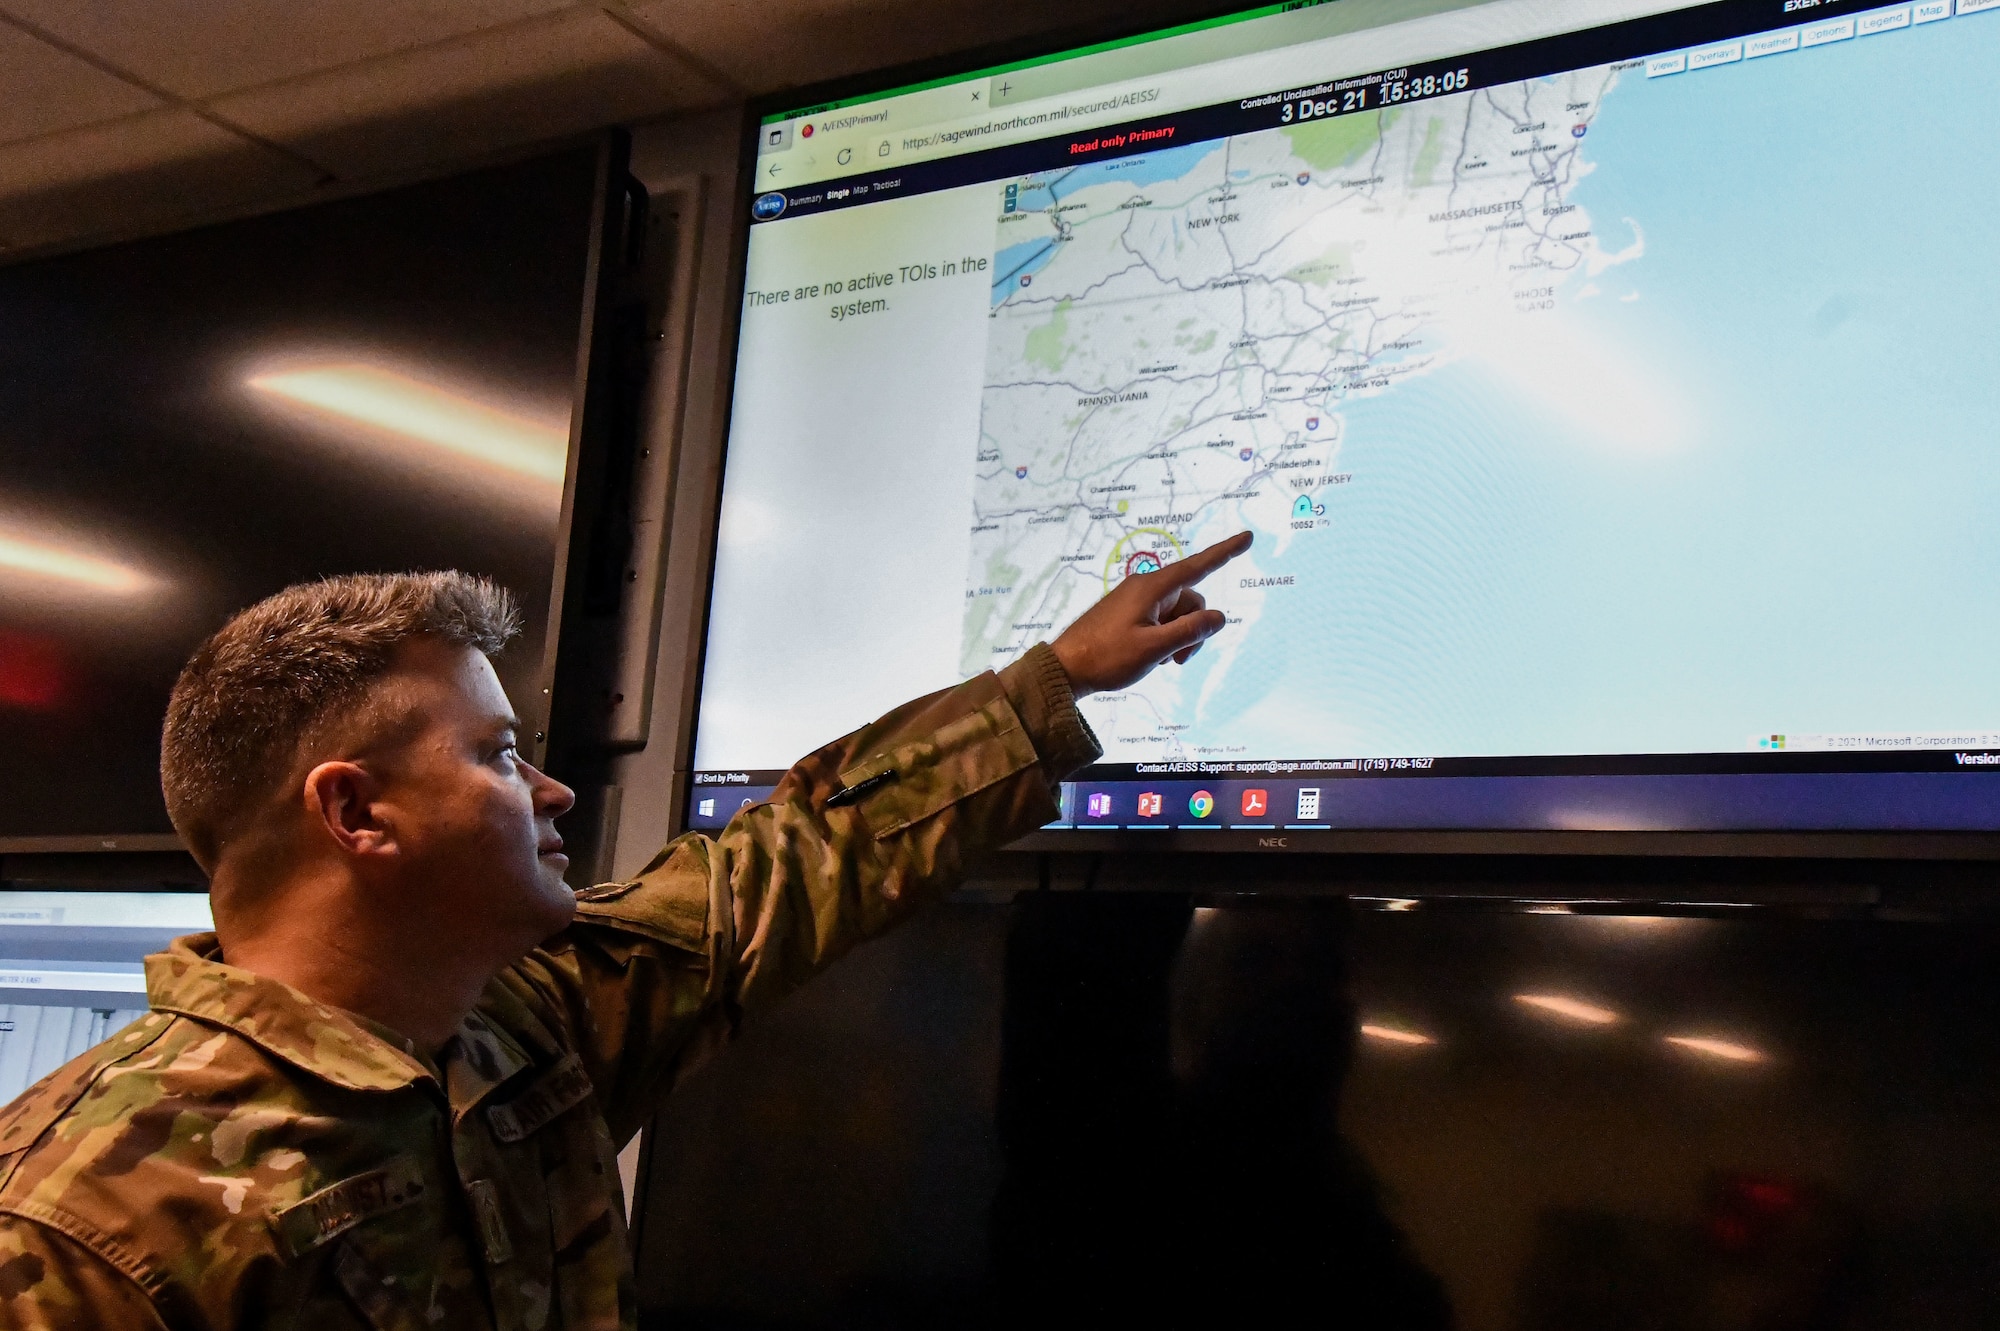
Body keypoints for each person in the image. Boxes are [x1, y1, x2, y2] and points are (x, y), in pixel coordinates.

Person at [0, 532, 1250, 1329]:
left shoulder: (520, 1023)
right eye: (495, 755)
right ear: (356, 810)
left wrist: (1051, 682)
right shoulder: (86, 1225)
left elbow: (787, 862)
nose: (552, 790)